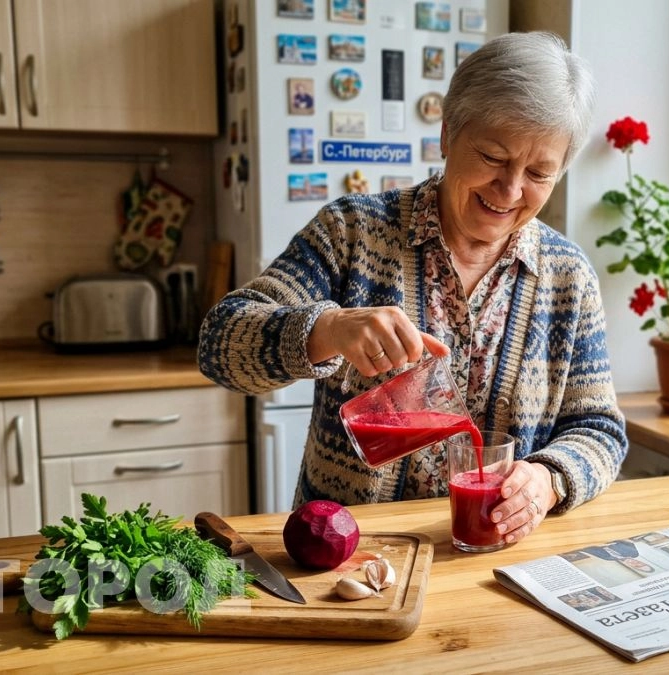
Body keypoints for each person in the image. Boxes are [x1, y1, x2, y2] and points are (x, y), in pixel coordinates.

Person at [199, 31, 627, 546]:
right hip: (348, 554)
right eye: (492, 157)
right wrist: (326, 328)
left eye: (538, 172)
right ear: (447, 135)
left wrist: (547, 480)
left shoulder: (567, 277)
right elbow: (219, 345)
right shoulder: (352, 232)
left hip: (497, 563)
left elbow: (599, 429)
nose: (510, 190)